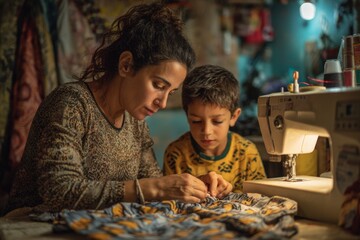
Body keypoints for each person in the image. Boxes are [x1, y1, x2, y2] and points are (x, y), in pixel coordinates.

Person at [4, 2, 229, 214]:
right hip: (31, 224)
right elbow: (60, 191)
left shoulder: (135, 120)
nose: (162, 102)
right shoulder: (71, 104)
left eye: (170, 93)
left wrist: (196, 185)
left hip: (92, 224)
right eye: (158, 86)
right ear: (126, 65)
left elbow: (151, 180)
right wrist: (157, 188)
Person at [163, 64, 267, 194]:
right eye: (196, 121)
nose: (207, 131)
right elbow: (169, 201)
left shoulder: (247, 153)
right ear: (187, 115)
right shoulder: (176, 154)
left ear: (234, 117)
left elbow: (260, 199)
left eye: (217, 121)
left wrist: (232, 195)